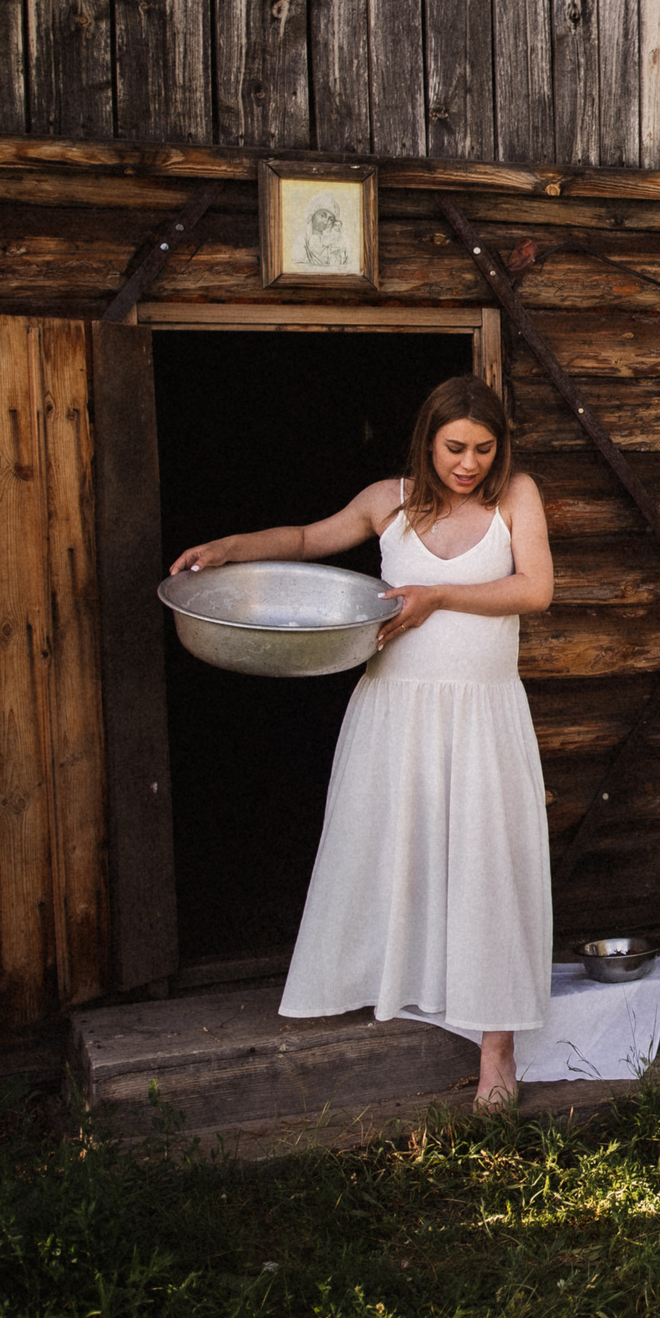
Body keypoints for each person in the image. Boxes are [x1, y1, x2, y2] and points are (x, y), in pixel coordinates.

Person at [169, 375, 552, 1110]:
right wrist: (228, 546)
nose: (468, 463)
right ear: (426, 441)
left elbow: (535, 589)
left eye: (482, 448)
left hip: (482, 715)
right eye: (453, 448)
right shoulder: (391, 500)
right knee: (391, 849)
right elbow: (310, 538)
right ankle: (395, 982)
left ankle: (496, 1050)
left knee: (488, 863)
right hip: (394, 710)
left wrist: (438, 595)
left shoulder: (515, 496)